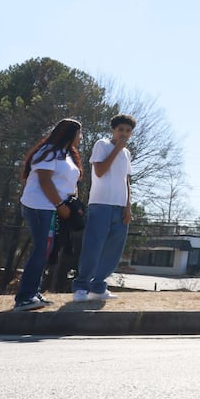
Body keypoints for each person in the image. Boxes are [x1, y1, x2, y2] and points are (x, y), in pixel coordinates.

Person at [13, 119, 84, 311]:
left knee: (46, 250)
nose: (81, 137)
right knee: (41, 249)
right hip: (40, 206)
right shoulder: (49, 151)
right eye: (79, 133)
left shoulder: (67, 155)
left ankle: (33, 293)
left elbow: (67, 182)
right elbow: (44, 180)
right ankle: (24, 297)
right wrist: (59, 204)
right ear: (70, 133)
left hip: (52, 208)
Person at [73, 113, 136, 302]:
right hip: (101, 204)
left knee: (113, 249)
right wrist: (117, 148)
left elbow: (126, 180)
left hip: (120, 206)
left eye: (127, 131)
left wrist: (128, 206)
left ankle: (98, 287)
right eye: (120, 130)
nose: (124, 134)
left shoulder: (127, 153)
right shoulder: (103, 144)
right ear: (113, 130)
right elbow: (99, 171)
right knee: (93, 246)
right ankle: (81, 287)